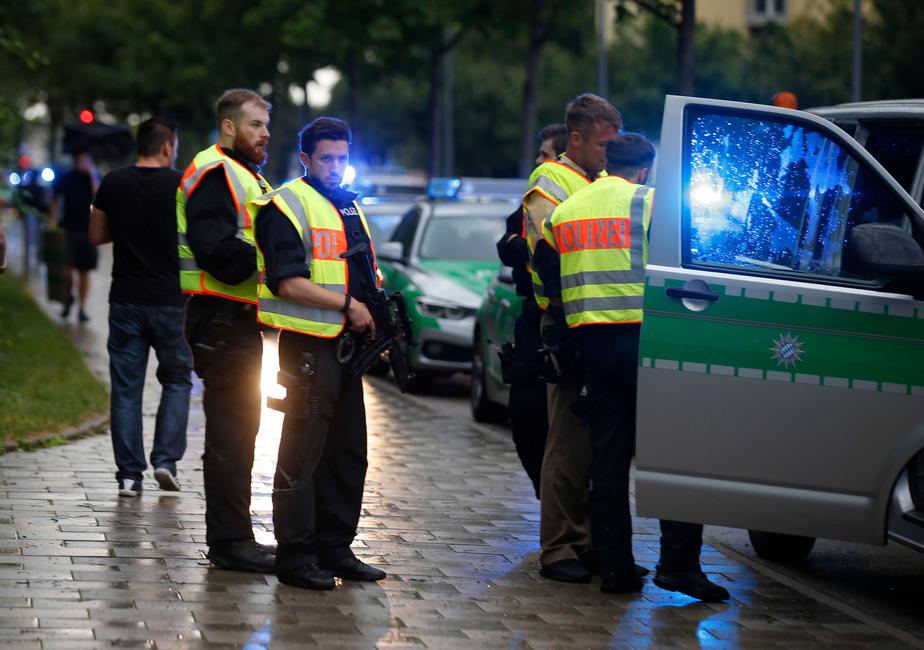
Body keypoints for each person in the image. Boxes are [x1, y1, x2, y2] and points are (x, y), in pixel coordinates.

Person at [542, 134, 729, 601]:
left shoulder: (569, 209)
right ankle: (679, 566)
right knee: (676, 454)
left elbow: (548, 273)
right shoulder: (652, 204)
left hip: (592, 346)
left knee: (607, 463)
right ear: (646, 168)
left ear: (607, 161)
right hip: (648, 341)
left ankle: (615, 569)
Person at [251, 116, 385, 591]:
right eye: (326, 158)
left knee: (348, 453)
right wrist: (349, 306)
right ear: (305, 159)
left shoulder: (350, 206)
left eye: (342, 158)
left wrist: (378, 323)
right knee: (303, 453)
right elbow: (287, 282)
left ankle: (336, 548)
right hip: (309, 349)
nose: (335, 167)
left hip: (348, 349)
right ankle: (296, 555)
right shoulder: (284, 206)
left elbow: (365, 275)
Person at [524, 94, 622, 584]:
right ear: (576, 138)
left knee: (598, 443)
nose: (609, 153)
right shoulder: (550, 181)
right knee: (567, 441)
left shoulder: (601, 181)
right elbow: (549, 255)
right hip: (565, 321)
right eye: (603, 144)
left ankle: (591, 544)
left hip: (603, 324)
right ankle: (560, 547)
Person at [178, 88, 274, 573]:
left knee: (240, 433)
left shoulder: (242, 173)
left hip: (233, 320)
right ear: (229, 126)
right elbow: (218, 252)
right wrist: (275, 260)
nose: (265, 134)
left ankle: (235, 537)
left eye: (266, 125)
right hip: (221, 318)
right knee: (232, 436)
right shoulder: (216, 172)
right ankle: (231, 543)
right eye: (256, 124)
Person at [89, 117, 192, 498]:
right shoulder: (183, 184)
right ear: (167, 146)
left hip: (126, 299)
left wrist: (129, 227)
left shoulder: (113, 182)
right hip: (173, 301)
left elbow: (96, 234)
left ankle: (130, 476)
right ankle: (165, 461)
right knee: (178, 381)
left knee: (126, 390)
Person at [496, 123, 567, 498]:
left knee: (547, 423)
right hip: (532, 320)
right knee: (525, 418)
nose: (537, 161)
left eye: (544, 154)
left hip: (560, 322)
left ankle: (566, 511)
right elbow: (507, 243)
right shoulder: (532, 201)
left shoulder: (571, 202)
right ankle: (549, 498)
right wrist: (517, 245)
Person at [50, 151, 100, 322]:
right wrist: (53, 221)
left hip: (88, 231)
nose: (83, 162)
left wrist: (92, 173)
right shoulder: (66, 177)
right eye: (81, 159)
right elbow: (55, 199)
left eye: (87, 159)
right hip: (68, 230)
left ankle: (82, 307)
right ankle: (67, 299)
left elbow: (98, 196)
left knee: (85, 271)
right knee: (67, 270)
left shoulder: (92, 177)